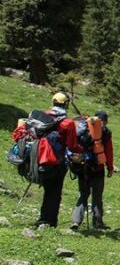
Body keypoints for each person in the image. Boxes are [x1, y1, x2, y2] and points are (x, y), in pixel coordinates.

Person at [35, 92, 81, 228]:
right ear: (66, 104)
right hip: (57, 161)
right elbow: (72, 145)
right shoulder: (68, 123)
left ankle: (43, 218)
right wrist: (81, 149)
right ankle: (49, 221)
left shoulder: (45, 115)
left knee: (47, 189)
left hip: (41, 158)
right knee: (54, 192)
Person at [71, 110, 114, 230]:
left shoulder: (83, 128)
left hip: (82, 166)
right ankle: (98, 222)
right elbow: (108, 151)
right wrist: (110, 167)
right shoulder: (105, 132)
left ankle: (76, 221)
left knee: (83, 194)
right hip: (97, 168)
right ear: (104, 120)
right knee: (97, 196)